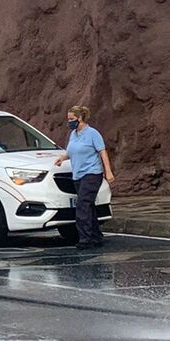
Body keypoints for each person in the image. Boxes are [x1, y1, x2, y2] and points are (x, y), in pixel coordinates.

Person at [53, 104, 115, 249]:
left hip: (92, 173)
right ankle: (96, 236)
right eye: (68, 119)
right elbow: (71, 151)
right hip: (78, 175)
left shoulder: (92, 133)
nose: (69, 122)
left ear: (80, 118)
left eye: (72, 119)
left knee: (82, 205)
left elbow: (102, 152)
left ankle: (85, 238)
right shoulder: (73, 134)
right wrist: (63, 158)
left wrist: (108, 171)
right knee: (89, 206)